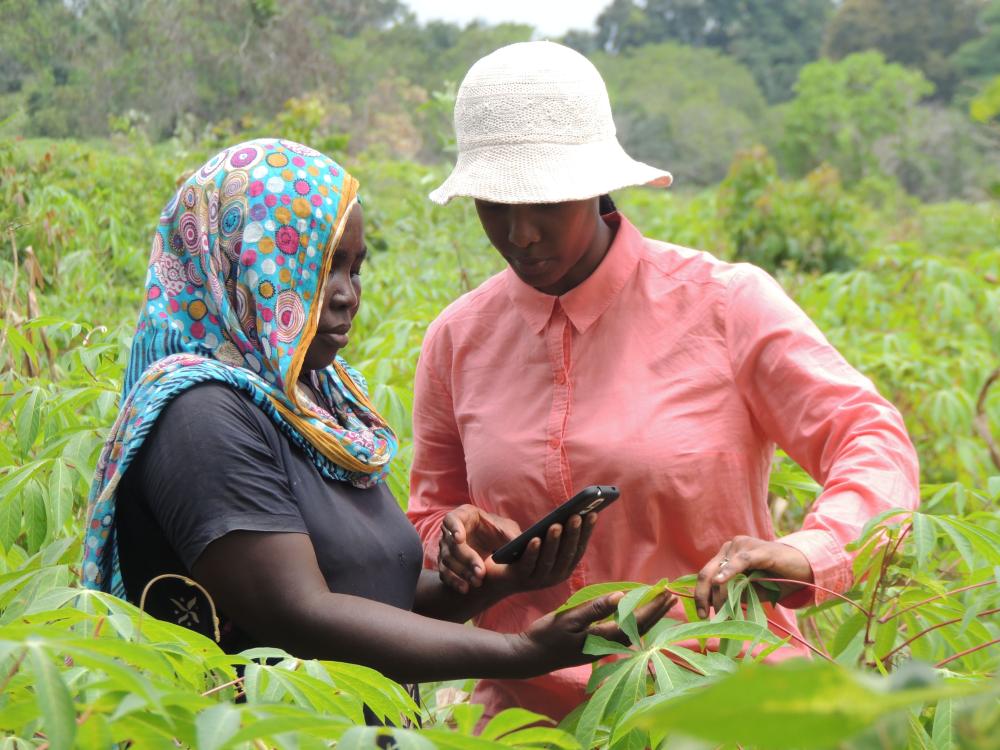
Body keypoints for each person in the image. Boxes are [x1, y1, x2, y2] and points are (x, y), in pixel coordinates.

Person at [406, 42, 921, 721]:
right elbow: (430, 512)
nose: (520, 232)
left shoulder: (725, 303)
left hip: (723, 695)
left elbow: (869, 435)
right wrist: (460, 540)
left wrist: (810, 551)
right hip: (531, 717)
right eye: (494, 206)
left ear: (596, 184)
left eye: (543, 202)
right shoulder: (457, 338)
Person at [80, 138, 673, 717]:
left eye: (355, 269)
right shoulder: (201, 414)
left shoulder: (313, 401)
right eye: (321, 267)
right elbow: (301, 614)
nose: (347, 297)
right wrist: (524, 653)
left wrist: (502, 581)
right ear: (240, 261)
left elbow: (372, 592)